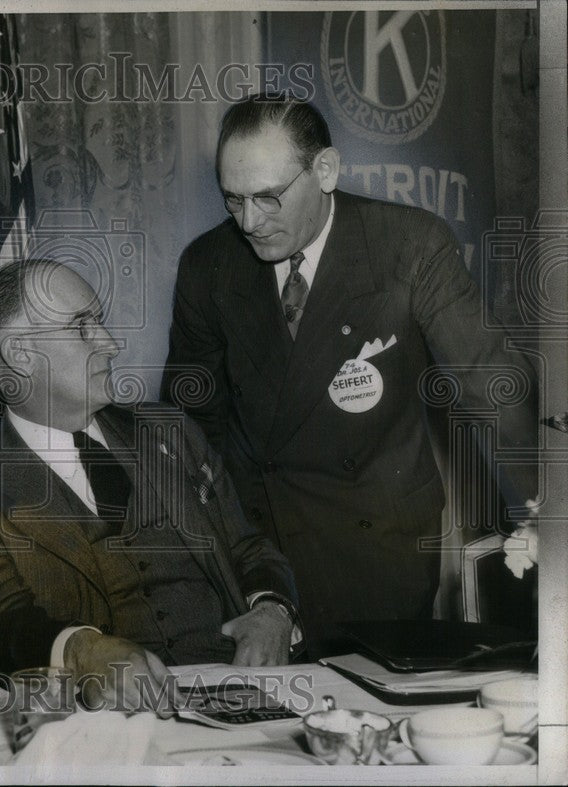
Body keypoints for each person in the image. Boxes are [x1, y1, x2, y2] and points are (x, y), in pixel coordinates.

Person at [161, 96, 538, 656]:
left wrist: (543, 505)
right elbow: (190, 428)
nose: (250, 222)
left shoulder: (410, 244)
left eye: (269, 196)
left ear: (326, 171)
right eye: (233, 199)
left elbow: (491, 383)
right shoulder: (207, 265)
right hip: (258, 552)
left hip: (377, 549)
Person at [0, 260, 301, 713]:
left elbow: (247, 547)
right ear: (20, 353)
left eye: (98, 321)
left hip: (247, 692)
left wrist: (272, 610)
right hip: (104, 725)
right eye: (82, 328)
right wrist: (84, 651)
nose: (111, 343)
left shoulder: (171, 432)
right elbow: (2, 626)